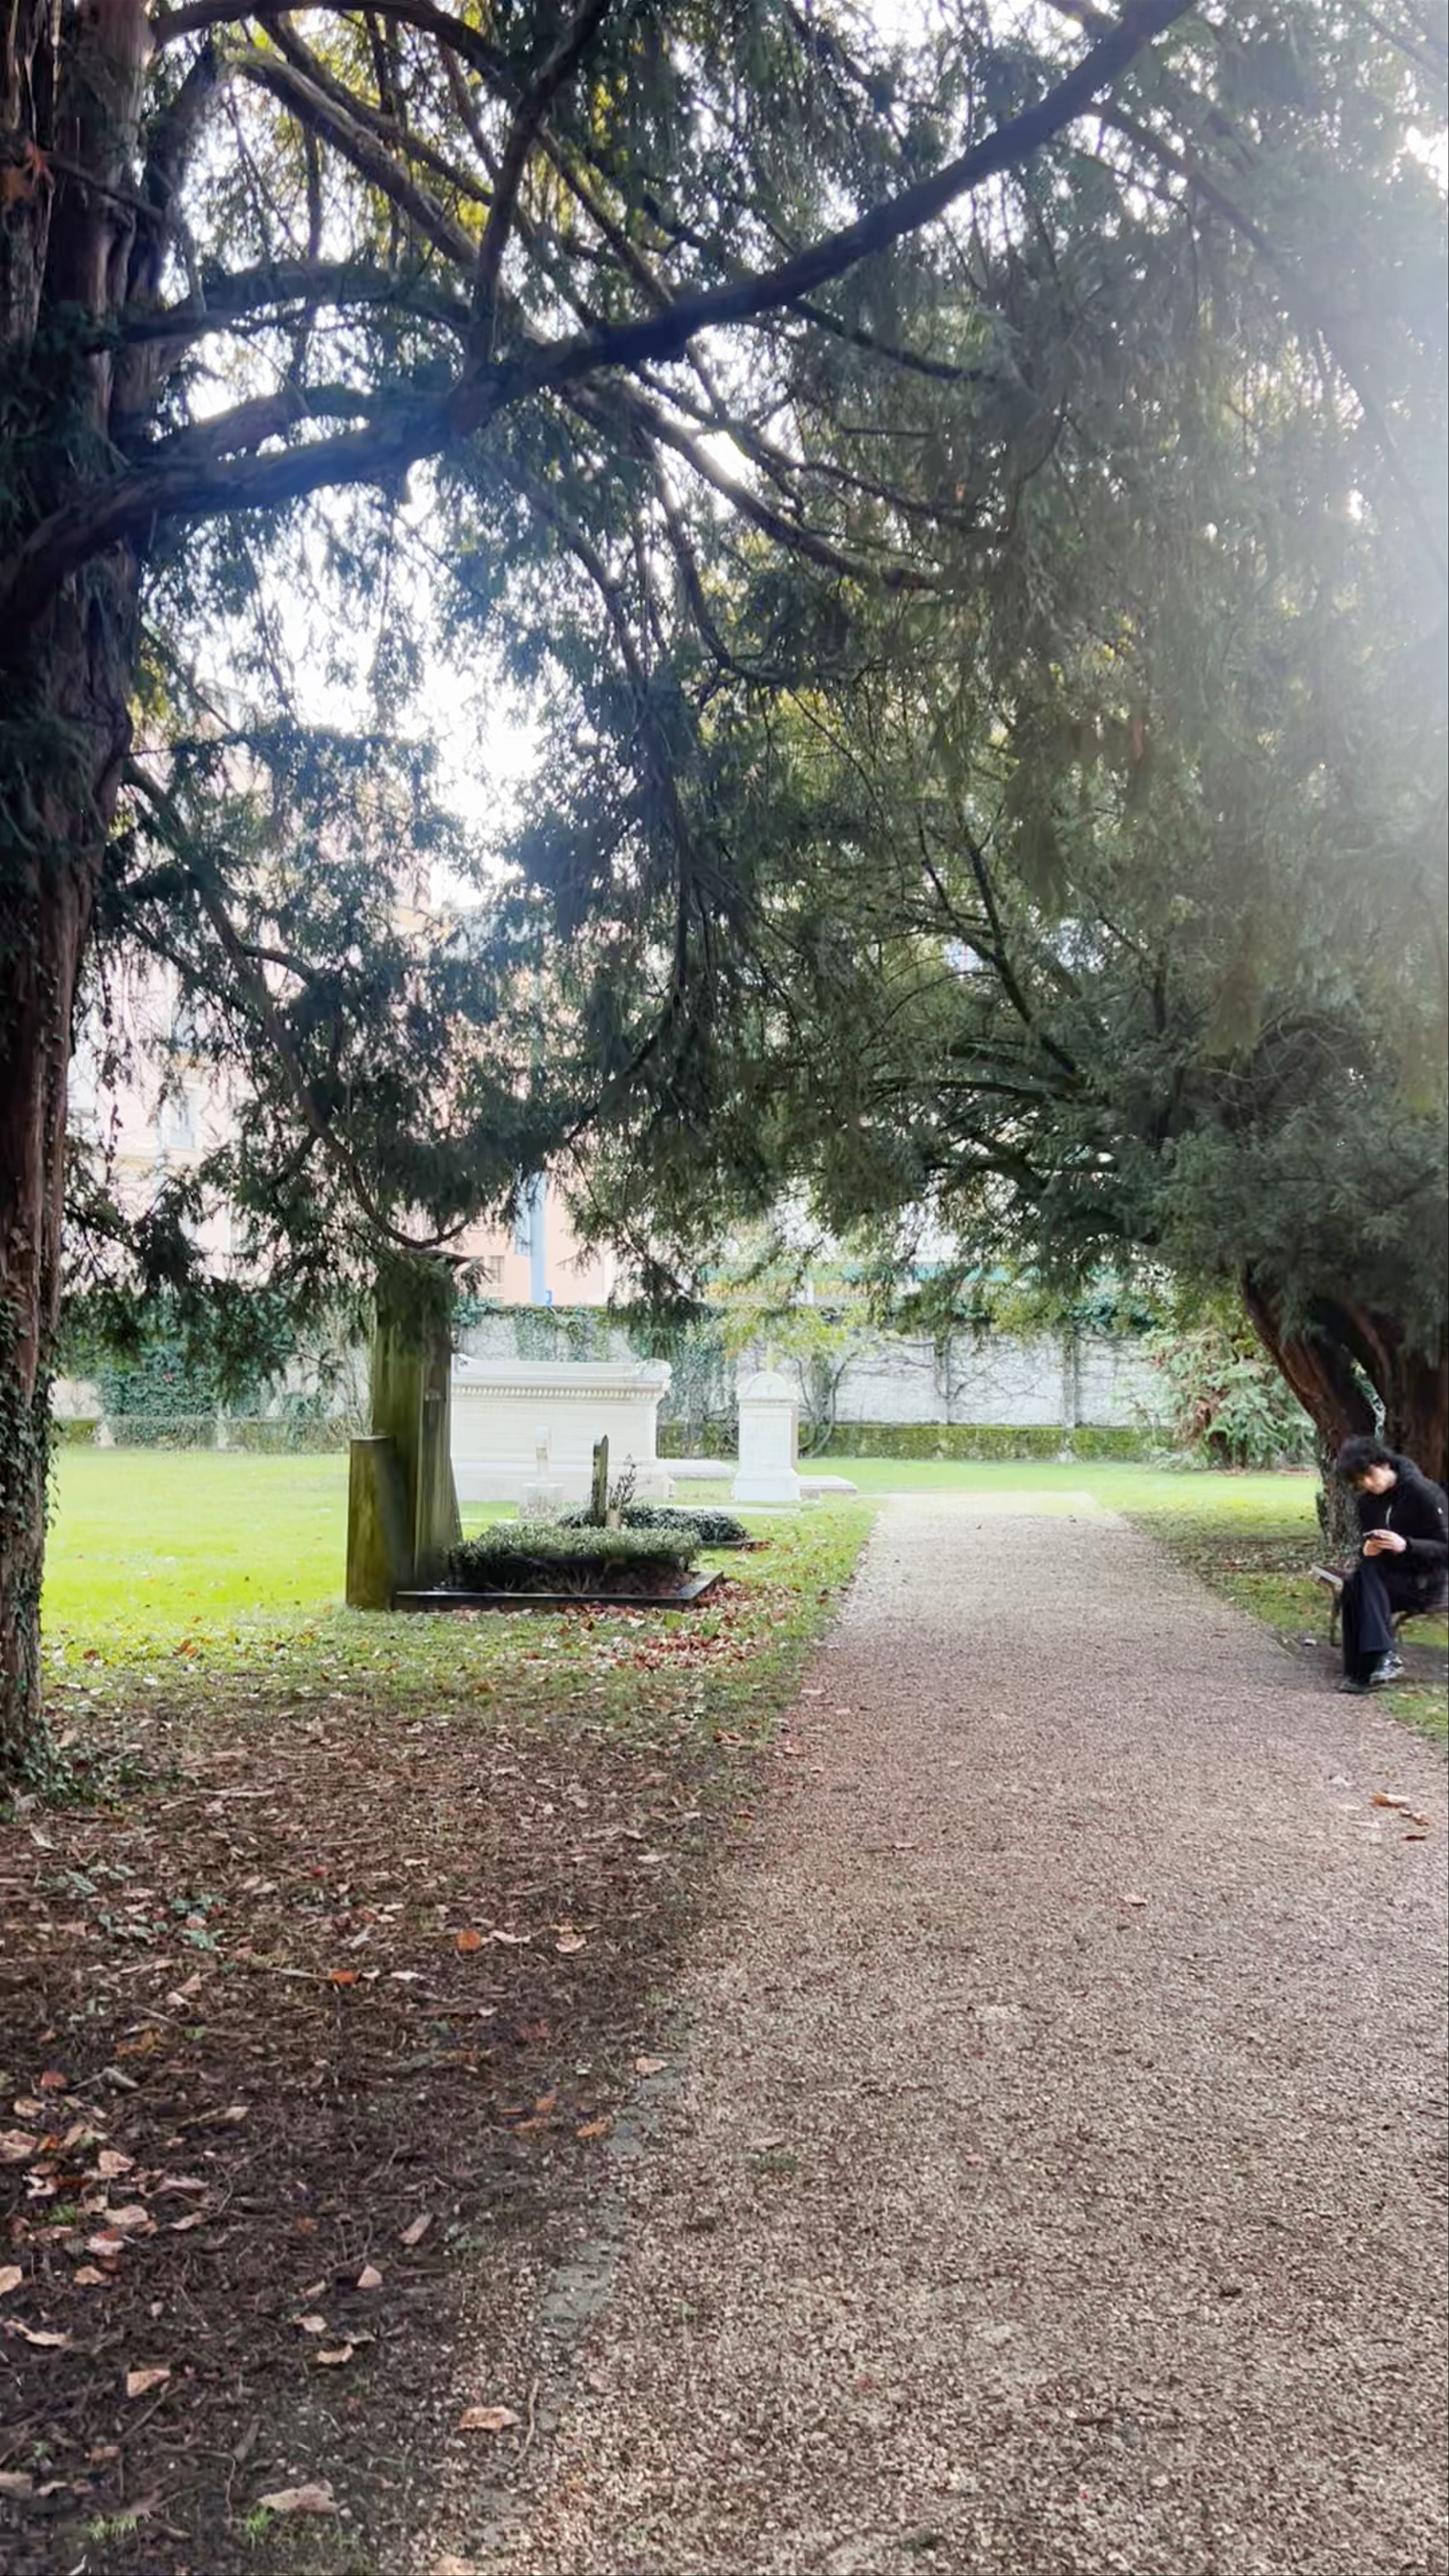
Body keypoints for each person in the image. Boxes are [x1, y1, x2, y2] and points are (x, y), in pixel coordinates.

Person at [1332, 1435, 1449, 1693]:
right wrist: (1368, 1550)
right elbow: (1370, 1552)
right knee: (1357, 1582)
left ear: (1384, 1464)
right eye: (1360, 1481)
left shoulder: (1423, 1493)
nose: (1367, 1484)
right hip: (1387, 1580)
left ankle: (1367, 1668)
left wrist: (1407, 1545)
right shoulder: (1367, 1503)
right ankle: (1372, 1665)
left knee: (1360, 1583)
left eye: (1369, 1475)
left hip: (1424, 1582)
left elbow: (1445, 1548)